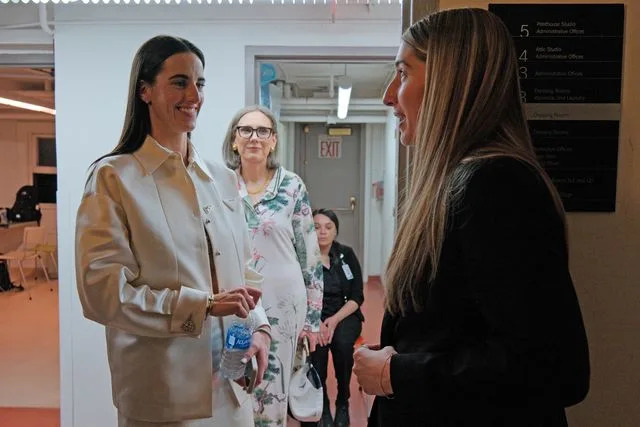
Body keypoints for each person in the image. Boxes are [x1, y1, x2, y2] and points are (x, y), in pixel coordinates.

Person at [353, 8, 590, 426]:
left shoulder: (497, 184)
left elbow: (554, 368)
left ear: (451, 82)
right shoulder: (459, 181)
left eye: (404, 73)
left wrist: (396, 373)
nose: (389, 95)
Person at [75, 35, 272, 427]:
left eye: (200, 83)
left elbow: (243, 272)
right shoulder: (114, 178)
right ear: (144, 90)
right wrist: (201, 307)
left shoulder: (220, 178)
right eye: (180, 82)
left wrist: (261, 327)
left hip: (231, 386)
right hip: (163, 394)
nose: (194, 95)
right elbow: (101, 292)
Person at [222, 105, 324, 426]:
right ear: (234, 141)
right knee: (232, 385)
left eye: (262, 131)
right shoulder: (219, 185)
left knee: (271, 393)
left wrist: (313, 320)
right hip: (234, 302)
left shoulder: (292, 186)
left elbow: (309, 253)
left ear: (273, 141)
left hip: (283, 304)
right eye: (246, 130)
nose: (254, 137)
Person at [304, 209, 364, 427]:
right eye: (316, 227)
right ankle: (321, 404)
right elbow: (297, 294)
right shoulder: (303, 258)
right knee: (317, 348)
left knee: (342, 345)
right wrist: (315, 321)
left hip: (344, 314)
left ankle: (343, 402)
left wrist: (335, 319)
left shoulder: (346, 255)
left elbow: (358, 296)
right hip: (313, 315)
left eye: (328, 227)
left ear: (336, 230)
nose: (322, 232)